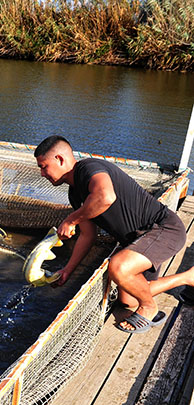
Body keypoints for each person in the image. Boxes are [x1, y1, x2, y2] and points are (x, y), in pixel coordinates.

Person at [34, 135, 194, 334]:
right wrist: (68, 269)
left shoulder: (88, 168)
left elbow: (106, 196)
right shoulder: (74, 194)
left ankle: (149, 307)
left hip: (164, 230)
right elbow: (87, 236)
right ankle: (188, 277)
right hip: (139, 242)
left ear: (59, 159)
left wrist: (70, 220)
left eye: (43, 166)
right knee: (128, 301)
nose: (42, 173)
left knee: (118, 267)